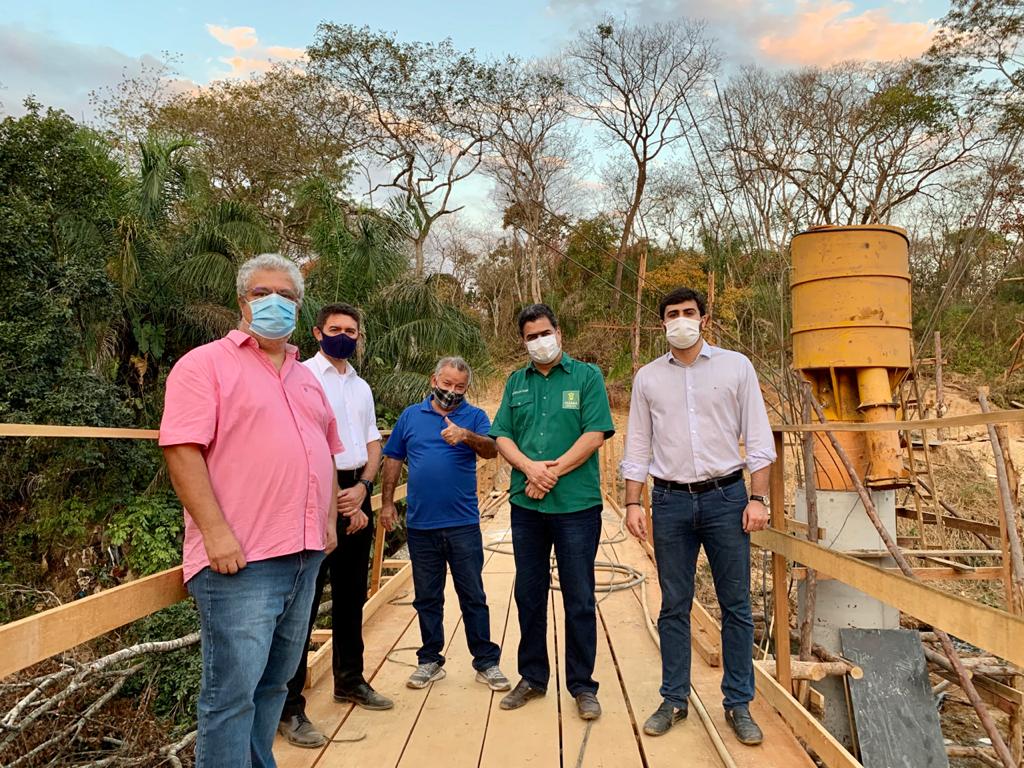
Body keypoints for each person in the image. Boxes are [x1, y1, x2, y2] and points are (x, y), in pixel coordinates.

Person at [160, 253, 342, 768]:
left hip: (304, 555)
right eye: (263, 293)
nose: (275, 303)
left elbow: (326, 453)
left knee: (275, 685)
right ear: (243, 301)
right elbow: (181, 450)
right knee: (231, 696)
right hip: (241, 560)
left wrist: (328, 522)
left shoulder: (307, 379)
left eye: (287, 295)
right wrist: (215, 533)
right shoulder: (204, 365)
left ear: (299, 307)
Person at [621, 286, 775, 746]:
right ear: (662, 323)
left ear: (704, 319)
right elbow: (637, 443)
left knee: (735, 605)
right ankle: (674, 699)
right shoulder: (648, 378)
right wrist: (633, 503)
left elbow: (758, 437)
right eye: (672, 314)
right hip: (669, 502)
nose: (681, 320)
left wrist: (759, 498)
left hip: (726, 497)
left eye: (689, 312)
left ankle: (738, 703)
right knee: (673, 604)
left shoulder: (736, 367)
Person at [489, 303, 614, 721]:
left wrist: (550, 473)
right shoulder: (516, 382)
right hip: (527, 506)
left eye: (545, 333)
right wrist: (529, 468)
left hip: (576, 505)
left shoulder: (587, 377)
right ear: (523, 342)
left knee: (579, 596)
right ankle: (533, 677)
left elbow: (594, 434)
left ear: (559, 333)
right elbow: (502, 435)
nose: (539, 342)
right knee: (529, 592)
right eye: (531, 337)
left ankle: (582, 685)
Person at [279, 303, 394, 749]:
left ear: (359, 335)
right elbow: (307, 443)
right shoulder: (300, 377)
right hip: (313, 494)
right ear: (317, 332)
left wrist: (364, 488)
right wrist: (336, 501)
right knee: (302, 605)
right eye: (335, 328)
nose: (343, 335)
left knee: (350, 595)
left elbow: (372, 441)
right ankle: (289, 705)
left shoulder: (360, 386)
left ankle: (350, 679)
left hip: (356, 490)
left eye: (351, 330)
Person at [379, 357, 511, 692]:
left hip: (462, 523)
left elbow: (491, 450)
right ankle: (429, 660)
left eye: (460, 387)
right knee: (427, 596)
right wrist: (386, 503)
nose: (452, 391)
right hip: (421, 524)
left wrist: (465, 436)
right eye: (447, 383)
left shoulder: (474, 416)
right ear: (433, 380)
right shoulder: (411, 416)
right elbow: (393, 457)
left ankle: (486, 661)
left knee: (473, 594)